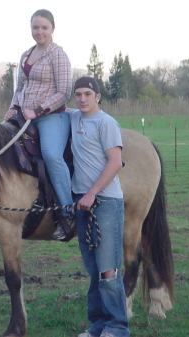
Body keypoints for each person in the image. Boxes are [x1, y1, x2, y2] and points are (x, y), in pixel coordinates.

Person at [68, 76, 130, 337]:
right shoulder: (73, 118)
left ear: (98, 96)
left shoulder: (107, 123)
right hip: (83, 202)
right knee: (93, 270)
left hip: (105, 201)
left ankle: (118, 326)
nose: (82, 99)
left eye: (87, 94)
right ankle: (98, 325)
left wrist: (92, 193)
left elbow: (115, 162)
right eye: (78, 94)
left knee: (108, 269)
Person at [4, 9, 73, 240]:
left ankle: (67, 213)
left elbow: (64, 92)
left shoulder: (58, 55)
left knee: (52, 155)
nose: (40, 31)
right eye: (36, 27)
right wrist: (14, 107)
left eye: (44, 27)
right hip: (23, 116)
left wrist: (39, 110)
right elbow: (20, 88)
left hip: (52, 117)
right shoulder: (26, 55)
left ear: (52, 29)